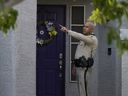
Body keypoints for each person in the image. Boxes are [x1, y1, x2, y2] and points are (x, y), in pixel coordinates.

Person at [60, 21, 98, 96]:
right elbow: (79, 53)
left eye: (86, 27)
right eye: (84, 26)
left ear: (91, 29)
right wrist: (74, 66)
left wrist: (67, 31)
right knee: (81, 88)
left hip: (85, 68)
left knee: (85, 89)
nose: (84, 28)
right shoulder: (84, 39)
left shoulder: (92, 39)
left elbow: (79, 36)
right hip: (79, 66)